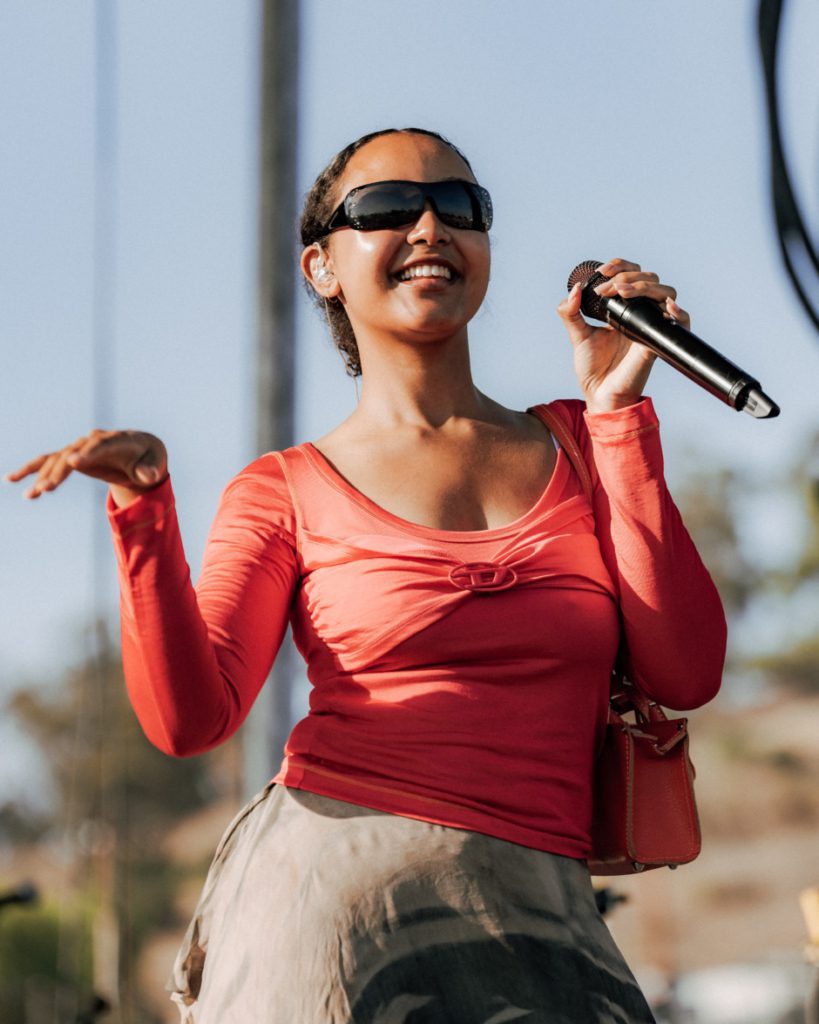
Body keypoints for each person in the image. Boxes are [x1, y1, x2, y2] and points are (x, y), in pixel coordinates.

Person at [7, 127, 727, 1023]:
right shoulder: (284, 490)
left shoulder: (584, 442)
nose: (428, 227)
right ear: (321, 268)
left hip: (541, 906)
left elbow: (684, 674)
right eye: (385, 208)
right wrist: (144, 514)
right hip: (330, 910)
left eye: (457, 206)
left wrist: (618, 414)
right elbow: (191, 720)